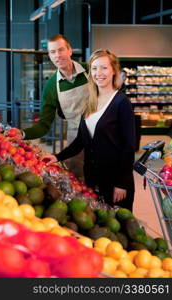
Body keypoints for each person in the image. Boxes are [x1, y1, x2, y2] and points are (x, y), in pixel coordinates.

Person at [43, 49, 136, 211]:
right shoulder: (90, 102)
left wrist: (122, 183)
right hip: (93, 179)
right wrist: (57, 157)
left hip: (115, 181)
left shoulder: (122, 103)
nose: (98, 73)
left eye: (104, 68)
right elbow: (80, 141)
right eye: (94, 68)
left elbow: (129, 146)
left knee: (118, 230)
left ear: (114, 70)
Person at [21, 34, 89, 177]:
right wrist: (22, 134)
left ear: (69, 50)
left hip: (103, 134)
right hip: (75, 141)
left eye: (61, 50)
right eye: (52, 52)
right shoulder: (51, 86)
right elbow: (44, 125)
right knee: (79, 180)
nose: (57, 55)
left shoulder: (90, 70)